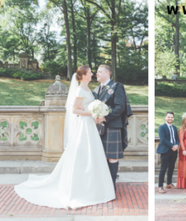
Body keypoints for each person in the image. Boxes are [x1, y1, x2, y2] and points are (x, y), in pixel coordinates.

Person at [15, 66, 115, 208]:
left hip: (90, 125)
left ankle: (94, 188)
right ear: (84, 75)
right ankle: (78, 189)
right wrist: (92, 113)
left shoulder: (88, 89)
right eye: (90, 72)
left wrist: (95, 114)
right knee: (82, 154)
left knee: (92, 154)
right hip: (83, 125)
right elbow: (75, 109)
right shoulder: (80, 90)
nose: (92, 74)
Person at [91, 64, 132, 192]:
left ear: (107, 73)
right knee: (100, 157)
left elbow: (120, 107)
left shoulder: (117, 86)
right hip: (98, 129)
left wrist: (105, 118)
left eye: (99, 72)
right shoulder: (96, 89)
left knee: (112, 157)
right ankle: (102, 185)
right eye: (96, 72)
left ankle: (111, 187)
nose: (96, 74)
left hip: (112, 126)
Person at [157, 111, 179, 194]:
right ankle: (160, 186)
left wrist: (176, 145)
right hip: (165, 150)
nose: (170, 118)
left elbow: (177, 138)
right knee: (163, 168)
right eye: (168, 117)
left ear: (173, 118)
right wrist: (172, 146)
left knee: (172, 167)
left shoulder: (174, 127)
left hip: (174, 150)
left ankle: (169, 183)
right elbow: (163, 139)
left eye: (172, 117)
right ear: (165, 118)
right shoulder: (161, 127)